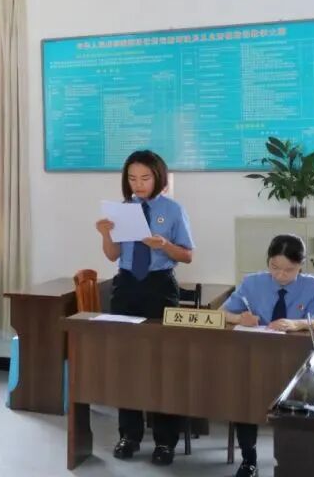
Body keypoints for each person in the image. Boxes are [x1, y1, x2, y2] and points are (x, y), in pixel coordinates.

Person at [95, 150, 194, 466]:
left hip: (159, 287)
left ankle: (165, 441)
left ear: (158, 178)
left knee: (164, 364)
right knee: (127, 363)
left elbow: (187, 255)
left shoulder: (173, 210)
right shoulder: (123, 210)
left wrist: (165, 245)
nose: (138, 184)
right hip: (126, 287)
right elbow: (113, 255)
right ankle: (129, 434)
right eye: (132, 178)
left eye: (145, 178)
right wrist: (105, 234)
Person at [222, 234, 314, 477]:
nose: (281, 275)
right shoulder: (252, 283)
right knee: (245, 396)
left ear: (301, 265)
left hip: (297, 365)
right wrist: (239, 318)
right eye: (275, 267)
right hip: (256, 359)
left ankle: (295, 462)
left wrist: (299, 324)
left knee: (300, 404)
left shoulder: (313, 286)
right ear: (268, 262)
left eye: (289, 270)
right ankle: (249, 459)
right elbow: (222, 314)